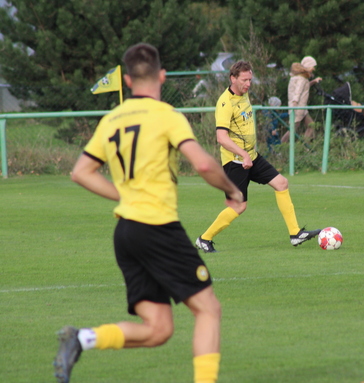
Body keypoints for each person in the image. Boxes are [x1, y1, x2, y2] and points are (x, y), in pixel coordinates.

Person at [53, 43, 243, 383]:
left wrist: (122, 193)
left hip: (125, 233)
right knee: (209, 309)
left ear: (127, 80)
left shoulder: (112, 119)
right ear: (162, 75)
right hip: (157, 227)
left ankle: (82, 339)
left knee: (159, 330)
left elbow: (80, 172)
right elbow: (202, 163)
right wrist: (231, 189)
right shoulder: (167, 115)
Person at [195, 61, 321, 253]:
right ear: (233, 78)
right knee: (239, 206)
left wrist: (249, 153)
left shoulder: (244, 94)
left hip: (251, 157)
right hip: (235, 162)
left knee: (281, 184)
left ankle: (295, 234)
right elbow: (221, 138)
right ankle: (204, 239)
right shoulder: (225, 103)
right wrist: (243, 154)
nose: (248, 84)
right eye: (244, 80)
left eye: (250, 79)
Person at [281, 56, 322, 143]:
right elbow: (298, 91)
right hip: (298, 107)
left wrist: (314, 81)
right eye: (312, 66)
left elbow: (304, 87)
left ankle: (303, 146)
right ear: (307, 66)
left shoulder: (298, 77)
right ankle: (280, 146)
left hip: (302, 108)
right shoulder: (302, 78)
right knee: (293, 130)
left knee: (311, 126)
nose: (313, 69)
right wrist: (295, 103)